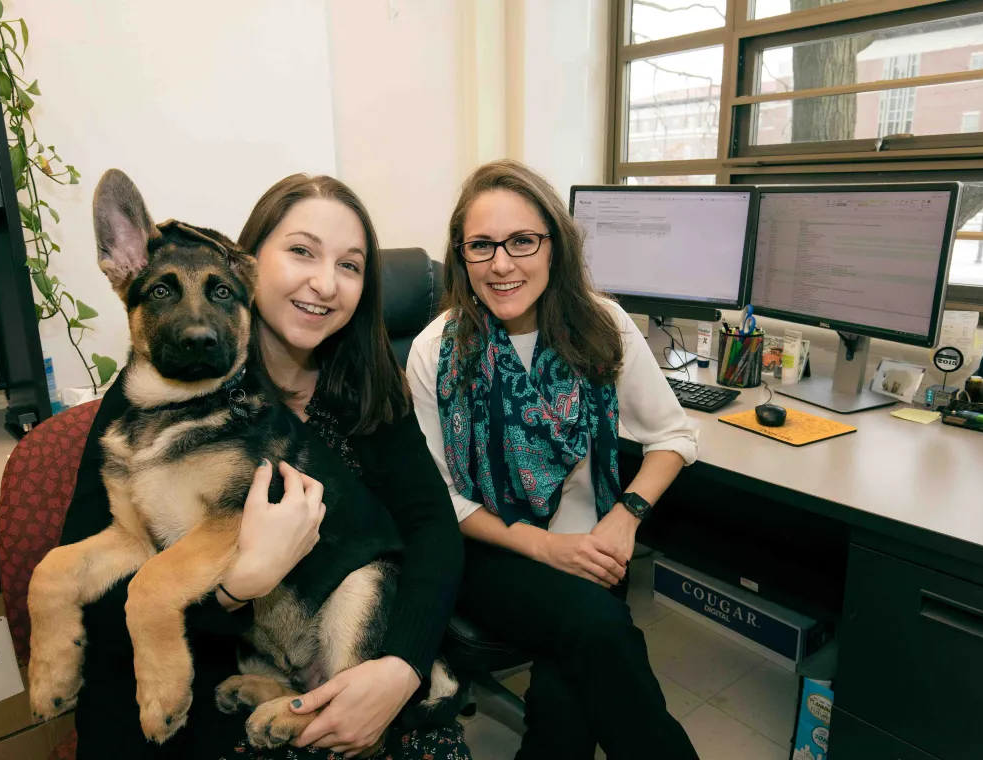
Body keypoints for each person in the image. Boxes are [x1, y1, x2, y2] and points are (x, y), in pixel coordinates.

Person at [60, 173, 471, 760]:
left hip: (350, 643)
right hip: (199, 674)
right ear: (250, 264)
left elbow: (433, 529)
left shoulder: (367, 382)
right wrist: (233, 589)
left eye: (350, 265)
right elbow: (99, 605)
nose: (325, 283)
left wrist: (402, 667)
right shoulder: (167, 387)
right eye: (301, 251)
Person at [408, 159, 701, 760]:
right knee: (600, 631)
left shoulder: (602, 324)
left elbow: (674, 436)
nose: (502, 263)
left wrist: (623, 520)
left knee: (565, 713)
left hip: (593, 545)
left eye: (522, 241)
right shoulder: (435, 350)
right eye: (481, 245)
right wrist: (545, 548)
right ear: (461, 257)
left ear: (555, 246)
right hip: (489, 551)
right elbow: (441, 499)